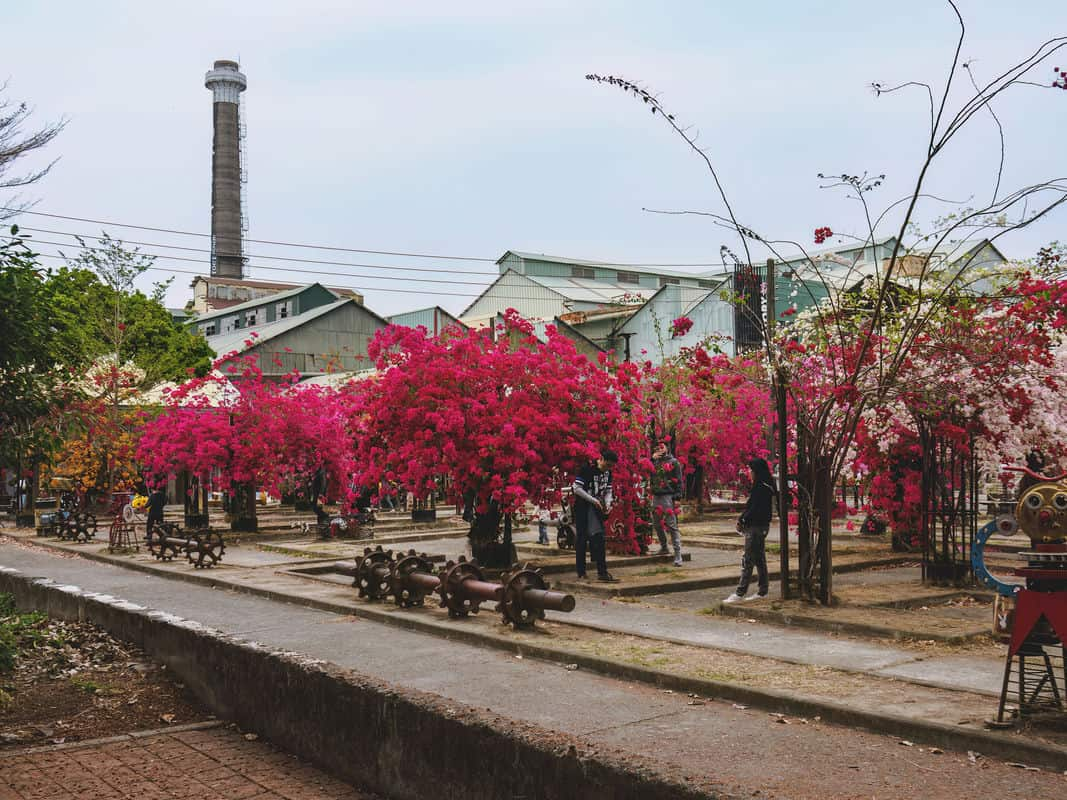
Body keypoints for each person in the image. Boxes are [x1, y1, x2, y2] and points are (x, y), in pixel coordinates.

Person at [724, 457, 776, 603]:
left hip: (756, 526)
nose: (749, 473)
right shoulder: (766, 485)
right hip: (761, 525)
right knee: (759, 558)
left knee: (748, 559)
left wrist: (743, 520)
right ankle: (762, 590)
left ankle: (740, 592)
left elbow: (753, 508)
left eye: (751, 470)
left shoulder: (761, 487)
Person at [572, 449, 619, 582]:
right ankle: (582, 571)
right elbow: (576, 488)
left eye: (611, 466)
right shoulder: (587, 469)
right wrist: (593, 500)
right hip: (583, 507)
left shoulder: (608, 472)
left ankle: (602, 571)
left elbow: (608, 490)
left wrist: (608, 503)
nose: (608, 469)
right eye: (607, 465)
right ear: (601, 459)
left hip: (597, 508)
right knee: (582, 539)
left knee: (599, 538)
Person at [650, 439, 684, 566]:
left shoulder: (674, 462)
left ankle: (678, 554)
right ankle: (664, 546)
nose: (659, 449)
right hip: (656, 496)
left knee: (672, 525)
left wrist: (677, 498)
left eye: (661, 447)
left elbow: (679, 481)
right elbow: (648, 474)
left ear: (667, 448)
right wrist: (652, 460)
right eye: (657, 447)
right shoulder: (654, 461)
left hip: (667, 496)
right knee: (656, 524)